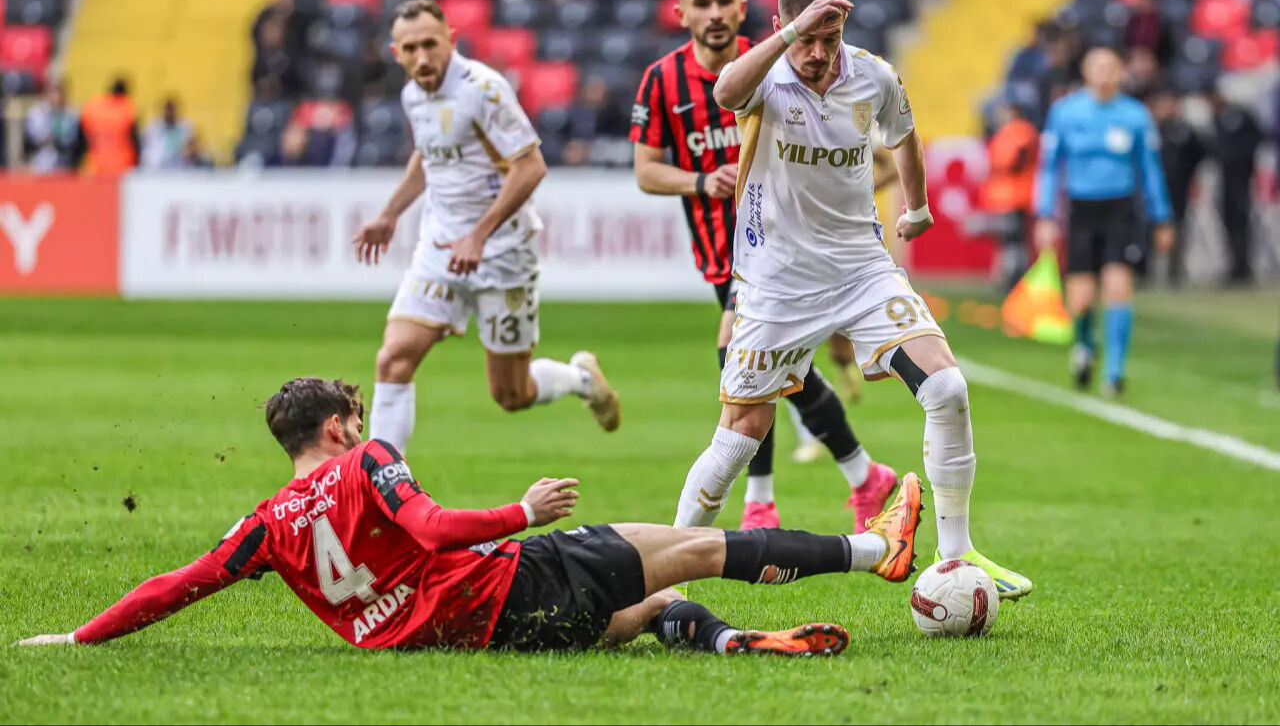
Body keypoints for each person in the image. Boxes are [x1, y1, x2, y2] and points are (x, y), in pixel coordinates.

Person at [16, 377, 924, 656]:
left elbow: (177, 584)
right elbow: (434, 529)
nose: (361, 428)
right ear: (335, 429)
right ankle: (872, 546)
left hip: (474, 636)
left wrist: (79, 637)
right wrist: (520, 509)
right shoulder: (366, 460)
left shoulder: (264, 524)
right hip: (508, 584)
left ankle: (729, 642)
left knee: (648, 608)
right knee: (694, 545)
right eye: (353, 420)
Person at [672, 0, 1032, 600]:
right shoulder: (766, 76)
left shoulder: (873, 75)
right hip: (777, 282)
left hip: (861, 269)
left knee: (947, 388)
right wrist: (790, 39)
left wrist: (916, 207)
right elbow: (725, 92)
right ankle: (664, 574)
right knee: (739, 436)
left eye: (830, 37)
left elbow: (905, 137)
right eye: (807, 37)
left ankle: (957, 554)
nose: (818, 52)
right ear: (782, 27)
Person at [630, 0, 898, 532]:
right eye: (702, 4)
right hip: (717, 252)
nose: (715, 13)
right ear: (681, 13)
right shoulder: (662, 80)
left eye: (724, 1)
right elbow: (646, 171)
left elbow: (868, 144)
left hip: (777, 248)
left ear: (743, 9)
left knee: (738, 355)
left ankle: (760, 502)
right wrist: (701, 181)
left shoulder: (785, 60)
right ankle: (864, 475)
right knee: (784, 375)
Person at [352, 0, 621, 454]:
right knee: (393, 359)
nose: (422, 58)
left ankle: (580, 379)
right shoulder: (413, 95)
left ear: (451, 40)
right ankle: (383, 481)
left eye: (430, 44)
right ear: (396, 53)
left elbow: (531, 165)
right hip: (440, 248)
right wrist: (389, 214)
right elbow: (428, 154)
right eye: (410, 49)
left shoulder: (483, 89)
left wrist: (479, 234)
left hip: (503, 253)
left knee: (511, 394)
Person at [1034, 46, 1175, 397]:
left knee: (1118, 285)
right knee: (1080, 297)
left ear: (1120, 72)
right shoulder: (1065, 112)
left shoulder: (1134, 115)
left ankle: (1114, 372)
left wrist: (1162, 217)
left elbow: (1150, 169)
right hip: (1081, 209)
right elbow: (1049, 166)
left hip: (1120, 209)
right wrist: (1045, 214)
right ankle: (1086, 344)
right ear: (1085, 71)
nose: (1103, 72)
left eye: (1110, 66)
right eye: (1096, 66)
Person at [1148, 84, 1205, 284]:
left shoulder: (1183, 130)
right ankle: (1145, 271)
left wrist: (1191, 175)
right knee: (1147, 228)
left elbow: (1199, 153)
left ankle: (1175, 270)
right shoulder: (1149, 129)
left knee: (1178, 227)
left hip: (1178, 187)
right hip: (1150, 189)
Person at [980, 101, 1039, 291]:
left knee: (1013, 242)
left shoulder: (1020, 132)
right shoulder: (1017, 131)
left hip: (1014, 196)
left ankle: (1013, 279)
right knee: (1009, 242)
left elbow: (1011, 162)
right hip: (1010, 195)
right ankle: (1010, 277)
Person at [1210, 94, 1259, 284]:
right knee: (1228, 221)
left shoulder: (1241, 116)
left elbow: (1256, 139)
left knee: (1242, 221)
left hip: (1242, 180)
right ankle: (1234, 265)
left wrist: (1239, 159)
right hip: (1225, 180)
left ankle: (1243, 265)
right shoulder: (1217, 119)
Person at [79, 76, 140, 176]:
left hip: (95, 165)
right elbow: (134, 139)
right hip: (122, 165)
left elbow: (82, 139)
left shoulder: (91, 107)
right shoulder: (127, 108)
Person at [23, 79, 84, 173]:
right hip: (40, 164)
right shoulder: (36, 113)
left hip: (63, 164)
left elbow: (70, 139)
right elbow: (34, 138)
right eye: (50, 92)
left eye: (57, 92)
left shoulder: (71, 113)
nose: (54, 97)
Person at [139, 96, 194, 170]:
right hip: (156, 168)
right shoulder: (153, 127)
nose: (170, 113)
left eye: (172, 109)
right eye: (167, 109)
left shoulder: (185, 127)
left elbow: (189, 149)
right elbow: (145, 147)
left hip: (179, 168)